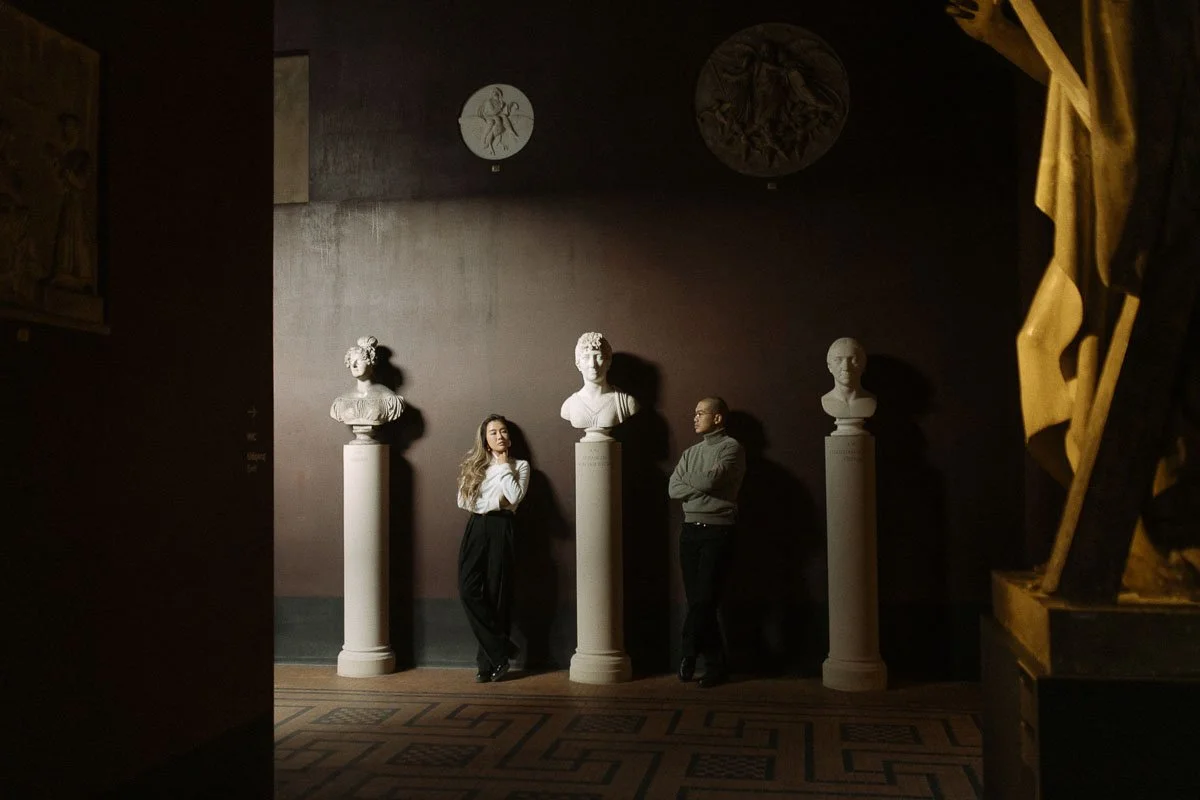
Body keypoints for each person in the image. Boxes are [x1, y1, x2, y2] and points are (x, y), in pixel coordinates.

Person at [668, 396, 746, 688]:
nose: (695, 417)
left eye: (701, 412)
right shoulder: (690, 453)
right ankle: (715, 666)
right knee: (700, 601)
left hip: (719, 531)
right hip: (690, 531)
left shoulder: (732, 449)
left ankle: (688, 651)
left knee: (704, 599)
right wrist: (697, 482)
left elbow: (710, 483)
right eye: (694, 412)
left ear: (717, 418)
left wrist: (694, 483)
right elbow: (673, 488)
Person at [456, 414, 530, 682]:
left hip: (502, 529)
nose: (500, 436)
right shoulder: (474, 466)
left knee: (496, 594)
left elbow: (513, 498)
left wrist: (501, 466)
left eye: (503, 431)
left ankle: (488, 665)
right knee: (468, 590)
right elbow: (464, 501)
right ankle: (503, 649)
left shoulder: (519, 466)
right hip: (476, 528)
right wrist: (491, 501)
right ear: (485, 440)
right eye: (493, 433)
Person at [560, 331, 639, 433]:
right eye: (586, 357)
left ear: (608, 362)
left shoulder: (627, 403)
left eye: (598, 356)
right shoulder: (569, 406)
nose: (592, 364)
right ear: (578, 363)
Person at [329, 335, 404, 429]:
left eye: (359, 361)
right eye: (351, 361)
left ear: (371, 362)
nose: (353, 365)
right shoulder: (340, 402)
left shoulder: (389, 399)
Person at [820, 337, 877, 420]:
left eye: (853, 359)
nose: (846, 367)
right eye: (838, 360)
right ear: (829, 366)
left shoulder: (870, 400)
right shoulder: (827, 401)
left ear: (863, 365)